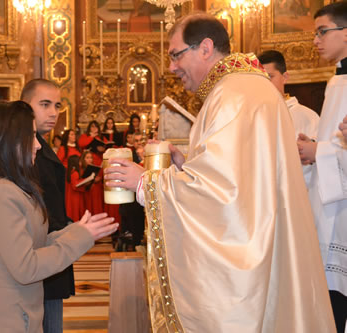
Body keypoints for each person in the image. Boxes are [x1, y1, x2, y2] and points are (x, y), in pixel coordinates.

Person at [105, 13, 335, 332]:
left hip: (248, 269)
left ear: (206, 48)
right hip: (269, 242)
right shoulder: (249, 87)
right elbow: (241, 180)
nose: (171, 67)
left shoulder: (232, 96)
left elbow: (220, 194)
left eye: (175, 54)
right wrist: (187, 165)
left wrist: (144, 182)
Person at [0, 100, 117, 333]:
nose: (38, 145)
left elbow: (35, 244)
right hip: (0, 318)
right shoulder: (0, 192)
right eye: (31, 136)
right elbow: (27, 267)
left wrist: (78, 231)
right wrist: (80, 238)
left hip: (19, 312)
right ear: (7, 141)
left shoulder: (11, 186)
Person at [296, 3, 347, 331]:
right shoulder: (337, 81)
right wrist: (316, 146)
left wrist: (319, 151)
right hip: (332, 201)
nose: (316, 40)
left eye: (322, 31)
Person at [20, 79, 83, 333]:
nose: (53, 112)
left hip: (51, 250)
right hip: (37, 255)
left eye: (57, 105)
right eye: (44, 104)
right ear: (24, 106)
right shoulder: (23, 150)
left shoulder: (42, 146)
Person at [257, 49, 320, 185]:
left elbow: (315, 165)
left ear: (285, 77)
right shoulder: (252, 116)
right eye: (260, 79)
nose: (264, 83)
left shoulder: (307, 117)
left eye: (270, 77)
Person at [65, 155, 86, 222]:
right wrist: (84, 186)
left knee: (71, 213)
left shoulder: (69, 171)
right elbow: (75, 186)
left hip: (70, 196)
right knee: (75, 213)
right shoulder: (75, 173)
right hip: (75, 197)